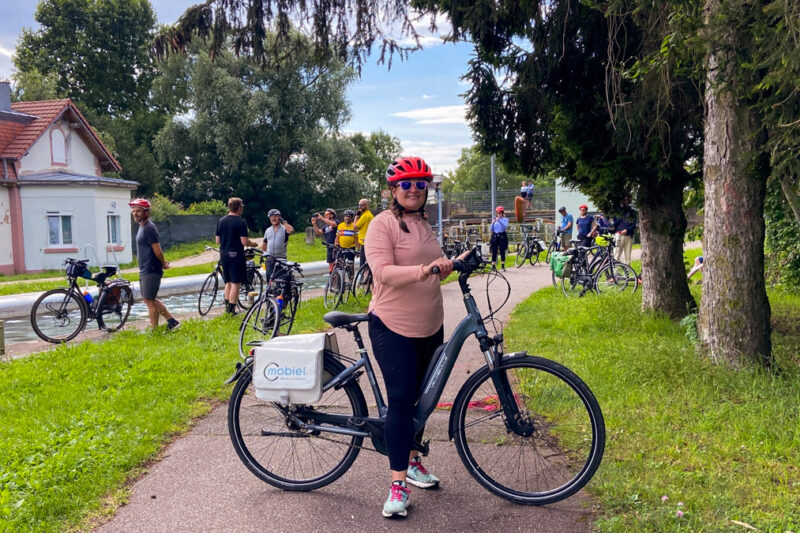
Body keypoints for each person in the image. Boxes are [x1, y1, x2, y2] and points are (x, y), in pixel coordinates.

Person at [365, 156, 454, 519]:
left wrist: (453, 263)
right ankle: (397, 485)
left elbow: (435, 267)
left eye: (421, 184)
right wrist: (425, 269)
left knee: (421, 401)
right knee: (401, 402)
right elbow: (383, 273)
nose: (415, 190)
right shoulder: (382, 225)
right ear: (393, 189)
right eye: (407, 184)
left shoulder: (424, 224)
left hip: (430, 325)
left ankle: (413, 460)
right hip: (393, 324)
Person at [129, 198, 180, 331]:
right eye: (133, 211)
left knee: (149, 301)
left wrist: (163, 262)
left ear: (146, 212)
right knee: (149, 300)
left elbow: (157, 250)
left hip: (151, 269)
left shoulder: (149, 228)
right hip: (145, 268)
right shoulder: (142, 226)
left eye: (138, 211)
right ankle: (172, 321)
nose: (135, 213)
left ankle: (155, 331)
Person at [216, 197, 259, 315]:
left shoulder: (221, 221)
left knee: (228, 282)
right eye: (242, 207)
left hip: (223, 254)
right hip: (236, 255)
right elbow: (244, 242)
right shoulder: (240, 222)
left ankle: (226, 308)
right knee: (236, 283)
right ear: (239, 207)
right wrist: (253, 243)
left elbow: (217, 240)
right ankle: (231, 311)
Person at [260, 208, 295, 280]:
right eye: (271, 217)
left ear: (279, 217)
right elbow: (265, 243)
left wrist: (283, 221)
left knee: (280, 280)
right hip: (269, 259)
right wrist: (262, 255)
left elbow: (291, 230)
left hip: (281, 259)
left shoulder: (284, 228)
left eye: (275, 216)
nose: (273, 218)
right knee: (270, 280)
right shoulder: (268, 230)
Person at [613, 196, 637, 264]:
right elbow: (614, 224)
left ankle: (627, 273)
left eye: (628, 200)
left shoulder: (633, 212)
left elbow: (636, 224)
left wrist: (627, 230)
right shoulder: (617, 212)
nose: (626, 201)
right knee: (616, 255)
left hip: (629, 236)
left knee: (628, 257)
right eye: (625, 200)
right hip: (619, 235)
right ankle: (615, 273)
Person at [334, 209, 358, 274]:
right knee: (339, 264)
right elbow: (337, 236)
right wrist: (335, 245)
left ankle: (351, 279)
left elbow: (356, 238)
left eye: (349, 216)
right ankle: (339, 280)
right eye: (346, 216)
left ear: (351, 218)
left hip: (351, 248)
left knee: (350, 265)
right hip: (341, 248)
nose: (347, 218)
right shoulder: (340, 225)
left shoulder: (354, 226)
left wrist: (358, 249)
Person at [354, 198, 374, 267]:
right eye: (359, 205)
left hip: (364, 243)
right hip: (368, 242)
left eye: (361, 205)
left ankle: (365, 277)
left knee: (362, 266)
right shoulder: (370, 215)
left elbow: (355, 228)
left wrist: (356, 217)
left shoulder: (365, 216)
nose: (359, 207)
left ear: (366, 205)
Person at [490, 205, 509, 270]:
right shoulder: (494, 220)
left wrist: (499, 221)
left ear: (502, 213)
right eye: (497, 213)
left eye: (500, 213)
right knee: (494, 250)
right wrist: (492, 223)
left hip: (502, 236)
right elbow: (491, 229)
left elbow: (505, 227)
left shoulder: (505, 219)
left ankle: (503, 265)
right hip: (495, 236)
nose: (498, 214)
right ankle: (493, 265)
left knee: (502, 250)